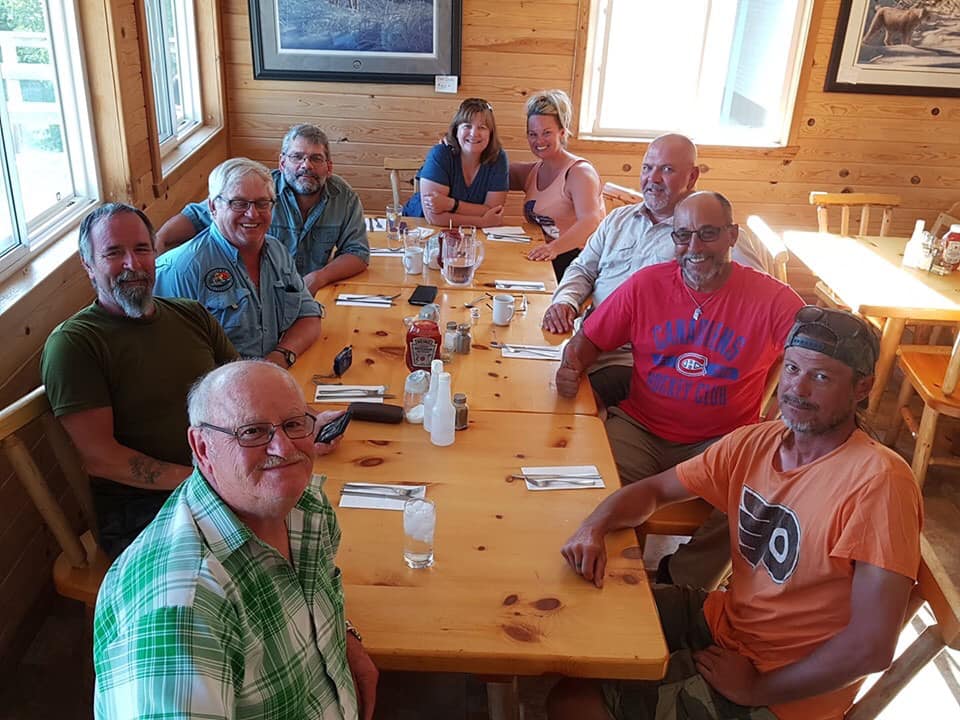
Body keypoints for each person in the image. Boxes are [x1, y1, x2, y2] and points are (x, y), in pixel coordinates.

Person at [550, 307, 921, 720]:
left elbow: (870, 647)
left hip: (784, 686)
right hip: (727, 621)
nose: (796, 389)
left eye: (821, 377)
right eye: (793, 368)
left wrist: (756, 687)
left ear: (861, 388)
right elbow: (654, 490)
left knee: (572, 701)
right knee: (574, 625)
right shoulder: (757, 442)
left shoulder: (880, 482)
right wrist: (592, 527)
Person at [94, 361, 379, 719]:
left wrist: (344, 638)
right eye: (252, 432)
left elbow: (314, 593)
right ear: (201, 446)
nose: (284, 448)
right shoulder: (183, 607)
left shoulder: (305, 506)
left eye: (293, 424)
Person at [556, 191, 804, 589]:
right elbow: (588, 339)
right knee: (588, 489)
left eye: (707, 234)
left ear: (732, 236)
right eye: (682, 235)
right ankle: (616, 585)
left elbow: (814, 351)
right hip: (641, 428)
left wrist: (785, 411)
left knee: (762, 501)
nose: (693, 248)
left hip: (722, 440)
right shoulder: (647, 285)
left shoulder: (770, 297)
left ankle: (681, 586)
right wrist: (571, 367)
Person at [40, 203, 240, 556]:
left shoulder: (191, 315)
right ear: (88, 265)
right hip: (142, 511)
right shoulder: (75, 343)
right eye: (114, 253)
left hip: (217, 480)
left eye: (141, 249)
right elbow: (102, 458)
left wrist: (305, 423)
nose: (132, 264)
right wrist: (207, 483)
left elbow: (243, 391)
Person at [542, 133, 774, 411]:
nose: (653, 179)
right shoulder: (619, 220)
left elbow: (757, 300)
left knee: (564, 405)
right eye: (647, 168)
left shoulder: (710, 235)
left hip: (643, 362)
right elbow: (582, 269)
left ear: (692, 177)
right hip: (587, 340)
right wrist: (565, 301)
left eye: (667, 169)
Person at [156, 124, 369, 294]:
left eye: (316, 158)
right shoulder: (259, 190)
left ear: (329, 167)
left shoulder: (345, 197)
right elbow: (195, 217)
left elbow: (357, 253)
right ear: (282, 163)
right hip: (255, 294)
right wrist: (159, 240)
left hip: (312, 294)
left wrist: (318, 277)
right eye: (297, 157)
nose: (306, 165)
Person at [154, 157, 324, 365]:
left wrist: (280, 357)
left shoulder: (277, 251)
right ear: (213, 207)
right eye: (239, 203)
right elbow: (168, 360)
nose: (252, 214)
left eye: (262, 203)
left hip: (270, 377)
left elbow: (308, 316)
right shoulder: (181, 270)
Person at [509, 89, 606, 280]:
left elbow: (590, 221)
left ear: (562, 132)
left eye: (546, 133)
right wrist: (453, 149)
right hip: (544, 255)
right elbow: (487, 173)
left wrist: (553, 248)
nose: (539, 141)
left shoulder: (579, 172)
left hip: (579, 260)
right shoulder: (532, 171)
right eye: (532, 134)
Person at [402, 97, 508, 228]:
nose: (474, 133)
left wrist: (450, 205)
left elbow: (493, 210)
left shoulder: (498, 158)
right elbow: (433, 217)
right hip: (419, 228)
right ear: (456, 130)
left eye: (482, 127)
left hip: (467, 234)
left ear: (491, 133)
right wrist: (483, 221)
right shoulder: (440, 154)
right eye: (467, 126)